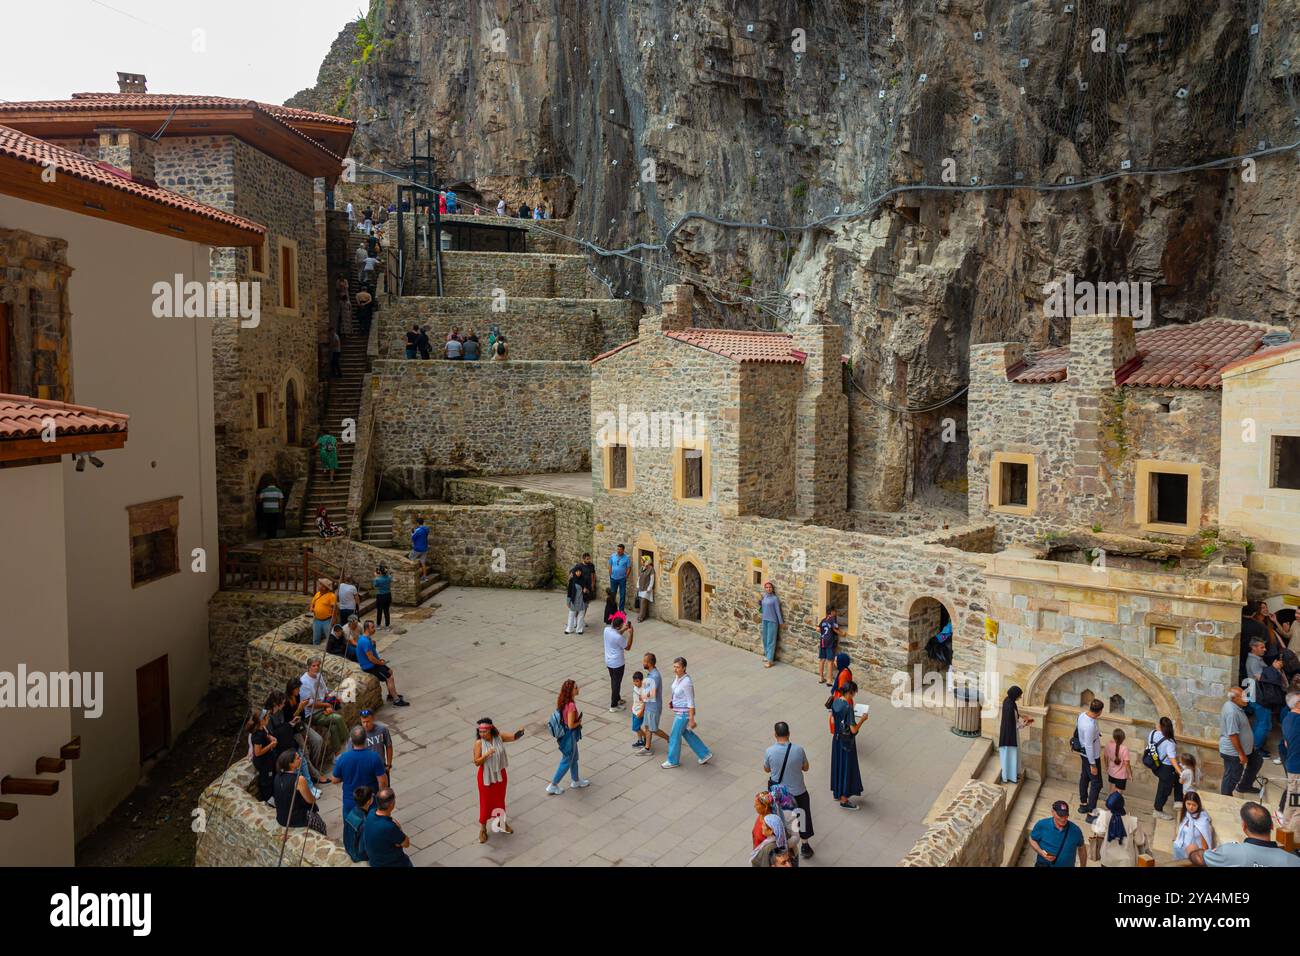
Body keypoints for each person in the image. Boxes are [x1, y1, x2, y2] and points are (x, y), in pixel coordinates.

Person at [1189, 802, 1300, 867]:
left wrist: (1193, 851)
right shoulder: (1294, 861)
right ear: (1271, 826)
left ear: (1244, 827)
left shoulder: (1229, 852)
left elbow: (1198, 857)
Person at [764, 721, 814, 858]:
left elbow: (766, 769)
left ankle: (783, 845)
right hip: (798, 791)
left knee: (781, 818)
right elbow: (806, 767)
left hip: (780, 794)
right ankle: (805, 845)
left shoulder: (769, 751)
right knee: (802, 817)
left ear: (775, 734)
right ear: (789, 734)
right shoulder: (798, 749)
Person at [474, 718, 524, 843]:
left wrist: (520, 732)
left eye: (484, 732)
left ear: (490, 729)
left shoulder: (499, 737)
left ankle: (502, 824)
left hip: (500, 775)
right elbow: (476, 762)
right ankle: (483, 829)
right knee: (485, 803)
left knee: (499, 801)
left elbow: (513, 737)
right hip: (486, 777)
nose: (482, 734)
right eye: (480, 732)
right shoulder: (479, 743)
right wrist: (486, 755)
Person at [330, 727, 389, 823]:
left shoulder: (343, 758)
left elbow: (334, 780)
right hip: (370, 801)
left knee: (352, 829)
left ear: (351, 740)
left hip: (350, 801)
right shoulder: (374, 757)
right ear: (365, 739)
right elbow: (382, 781)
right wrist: (381, 798)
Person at [663, 657, 713, 770]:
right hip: (679, 711)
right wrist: (673, 701)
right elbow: (677, 692)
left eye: (678, 667)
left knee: (674, 736)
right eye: (674, 666)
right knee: (685, 733)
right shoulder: (679, 677)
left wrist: (691, 719)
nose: (675, 669)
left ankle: (673, 760)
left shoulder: (686, 682)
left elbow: (691, 701)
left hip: (683, 714)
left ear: (684, 668)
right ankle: (704, 754)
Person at [829, 680, 867, 808]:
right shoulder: (848, 708)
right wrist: (862, 720)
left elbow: (833, 720)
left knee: (838, 766)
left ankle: (837, 792)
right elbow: (853, 730)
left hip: (836, 740)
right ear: (850, 693)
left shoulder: (835, 702)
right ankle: (844, 799)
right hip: (846, 743)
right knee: (846, 769)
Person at [546, 679, 589, 793]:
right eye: (576, 687)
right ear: (570, 691)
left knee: (573, 758)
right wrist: (579, 722)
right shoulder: (571, 706)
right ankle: (553, 785)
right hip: (569, 735)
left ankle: (575, 780)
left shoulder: (563, 701)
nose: (578, 689)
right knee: (567, 760)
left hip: (565, 735)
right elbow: (570, 725)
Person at [1219, 685, 1262, 795]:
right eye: (1243, 696)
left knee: (1256, 761)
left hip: (1245, 748)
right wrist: (1241, 754)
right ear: (1234, 699)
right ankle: (1225, 797)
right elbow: (1233, 735)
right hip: (1234, 752)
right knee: (1233, 776)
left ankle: (1244, 786)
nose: (1246, 698)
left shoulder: (1235, 706)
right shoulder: (1232, 712)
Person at [300, 657, 347, 756]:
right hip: (312, 714)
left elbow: (325, 693)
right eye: (313, 666)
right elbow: (309, 704)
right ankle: (350, 743)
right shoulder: (304, 682)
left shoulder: (319, 676)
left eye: (318, 665)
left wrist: (328, 706)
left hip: (322, 709)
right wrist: (325, 705)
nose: (316, 668)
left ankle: (337, 754)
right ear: (308, 667)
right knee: (338, 718)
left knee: (333, 728)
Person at [356, 622, 410, 706]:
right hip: (369, 666)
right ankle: (396, 700)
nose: (374, 629)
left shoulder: (367, 639)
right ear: (367, 629)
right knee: (389, 678)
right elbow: (371, 658)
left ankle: (390, 695)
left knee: (390, 671)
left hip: (373, 663)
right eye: (372, 627)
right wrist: (381, 663)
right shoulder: (365, 641)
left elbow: (373, 654)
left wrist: (379, 658)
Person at [274, 750, 326, 834]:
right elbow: (311, 800)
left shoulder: (278, 776)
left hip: (282, 817)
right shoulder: (299, 779)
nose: (301, 758)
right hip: (295, 818)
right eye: (298, 758)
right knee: (321, 825)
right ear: (290, 764)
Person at [1090, 790, 1147, 867]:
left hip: (1107, 859)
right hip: (1126, 862)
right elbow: (1140, 841)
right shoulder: (1133, 821)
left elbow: (1099, 831)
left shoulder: (1104, 816)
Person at [1028, 800, 1087, 867]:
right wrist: (1041, 852)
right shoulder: (1042, 824)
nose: (1063, 819)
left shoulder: (1076, 830)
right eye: (1060, 815)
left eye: (1065, 815)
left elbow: (1082, 849)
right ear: (1053, 812)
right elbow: (1032, 839)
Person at [364, 788, 413, 867]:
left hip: (374, 862)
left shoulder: (371, 813)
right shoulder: (389, 827)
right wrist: (399, 828)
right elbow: (406, 843)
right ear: (391, 804)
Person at [1148, 716, 1184, 820]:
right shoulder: (1170, 742)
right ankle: (1158, 810)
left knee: (1171, 781)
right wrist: (1181, 772)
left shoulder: (1153, 733)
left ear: (1159, 726)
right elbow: (1172, 759)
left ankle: (1178, 800)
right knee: (1164, 790)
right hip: (1166, 768)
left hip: (1155, 764)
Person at [1075, 697, 1104, 822]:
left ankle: (1083, 804)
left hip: (1084, 753)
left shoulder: (1082, 715)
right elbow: (1089, 745)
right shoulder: (1090, 725)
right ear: (1099, 711)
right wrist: (1093, 764)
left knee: (1085, 777)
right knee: (1097, 784)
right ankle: (1091, 813)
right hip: (1090, 756)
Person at [246, 707, 283, 802]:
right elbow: (257, 753)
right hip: (263, 763)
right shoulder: (257, 736)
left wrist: (271, 738)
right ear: (262, 721)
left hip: (269, 759)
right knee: (267, 781)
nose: (269, 718)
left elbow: (266, 735)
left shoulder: (262, 728)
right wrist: (271, 745)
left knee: (273, 775)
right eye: (267, 717)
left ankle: (276, 795)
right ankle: (269, 799)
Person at [637, 652, 670, 756]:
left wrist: (642, 697)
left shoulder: (655, 676)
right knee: (647, 727)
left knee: (654, 729)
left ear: (649, 663)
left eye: (644, 661)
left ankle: (670, 739)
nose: (643, 663)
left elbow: (652, 693)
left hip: (653, 708)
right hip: (649, 706)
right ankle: (647, 748)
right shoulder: (651, 673)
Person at [998, 685, 1032, 785]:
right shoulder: (1010, 706)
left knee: (1010, 756)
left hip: (1007, 734)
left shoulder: (1008, 701)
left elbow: (1014, 716)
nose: (1020, 698)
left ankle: (1011, 775)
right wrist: (1024, 724)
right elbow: (1014, 724)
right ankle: (1011, 777)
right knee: (1011, 756)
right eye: (1019, 696)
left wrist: (1021, 716)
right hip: (1010, 736)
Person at [1171, 791, 1214, 862]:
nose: (1191, 807)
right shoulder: (1186, 815)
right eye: (1188, 804)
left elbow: (1205, 845)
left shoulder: (1203, 821)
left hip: (1194, 854)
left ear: (1198, 805)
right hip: (1181, 849)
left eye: (1194, 805)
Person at [603, 611, 633, 711]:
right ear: (618, 626)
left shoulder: (606, 630)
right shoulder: (618, 637)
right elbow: (627, 647)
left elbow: (616, 633)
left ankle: (617, 698)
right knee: (617, 683)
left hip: (609, 661)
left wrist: (624, 629)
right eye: (622, 625)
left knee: (613, 680)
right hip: (618, 663)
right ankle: (613, 705)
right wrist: (630, 634)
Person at [1282, 690, 1300, 837]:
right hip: (1298, 769)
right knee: (1298, 806)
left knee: (1293, 801)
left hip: (1293, 767)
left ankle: (1285, 829)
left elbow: (1287, 743)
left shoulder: (1288, 718)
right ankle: (1293, 838)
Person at [358, 709, 393, 780]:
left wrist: (388, 765)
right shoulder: (358, 734)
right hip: (366, 769)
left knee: (385, 790)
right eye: (363, 722)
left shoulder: (382, 730)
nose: (365, 724)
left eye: (368, 721)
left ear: (373, 719)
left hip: (381, 766)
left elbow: (389, 746)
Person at [343, 785, 373, 863]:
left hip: (348, 848)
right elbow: (363, 848)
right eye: (372, 796)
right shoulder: (364, 823)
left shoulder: (351, 812)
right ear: (369, 801)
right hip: (358, 855)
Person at [817, 605, 844, 685]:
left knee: (822, 659)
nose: (836, 613)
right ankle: (829, 680)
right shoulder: (833, 619)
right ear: (832, 612)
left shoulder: (823, 620)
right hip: (830, 641)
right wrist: (842, 633)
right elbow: (835, 629)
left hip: (822, 640)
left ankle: (821, 678)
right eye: (835, 611)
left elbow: (818, 629)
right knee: (830, 661)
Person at [759, 581, 783, 667]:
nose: (768, 589)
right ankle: (767, 655)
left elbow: (778, 611)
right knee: (765, 639)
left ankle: (770, 660)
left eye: (770, 587)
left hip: (772, 621)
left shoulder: (775, 599)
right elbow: (762, 608)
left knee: (771, 641)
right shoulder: (764, 597)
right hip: (764, 620)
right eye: (767, 587)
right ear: (765, 589)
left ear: (772, 589)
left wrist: (781, 622)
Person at [309, 579, 338, 645]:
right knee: (316, 639)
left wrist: (334, 619)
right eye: (320, 585)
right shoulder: (317, 594)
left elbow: (335, 608)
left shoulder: (331, 596)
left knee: (329, 638)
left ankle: (330, 651)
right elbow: (312, 603)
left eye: (322, 586)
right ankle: (316, 651)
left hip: (327, 620)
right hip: (317, 620)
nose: (320, 586)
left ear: (326, 588)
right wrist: (311, 608)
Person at [1103, 727, 1132, 791]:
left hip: (1111, 772)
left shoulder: (1108, 745)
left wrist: (1106, 766)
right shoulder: (1124, 748)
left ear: (1113, 736)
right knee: (1118, 794)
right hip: (1121, 775)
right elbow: (1126, 763)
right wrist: (1130, 774)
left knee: (1111, 791)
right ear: (1123, 738)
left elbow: (1105, 756)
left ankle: (1109, 801)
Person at [564, 565, 586, 635]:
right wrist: (568, 601)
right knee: (571, 614)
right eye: (577, 571)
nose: (578, 573)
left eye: (579, 571)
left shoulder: (583, 579)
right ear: (574, 572)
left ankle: (579, 629)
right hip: (574, 599)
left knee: (581, 614)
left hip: (582, 600)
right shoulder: (572, 580)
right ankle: (569, 629)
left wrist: (585, 590)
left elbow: (588, 590)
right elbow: (569, 591)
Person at [608, 543, 630, 612]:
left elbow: (629, 568)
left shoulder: (626, 558)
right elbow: (610, 565)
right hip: (613, 578)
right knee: (613, 594)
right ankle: (613, 609)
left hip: (622, 579)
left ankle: (621, 610)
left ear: (623, 550)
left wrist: (626, 576)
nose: (618, 550)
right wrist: (610, 574)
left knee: (622, 594)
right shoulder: (613, 556)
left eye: (620, 549)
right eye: (618, 549)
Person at [579, 553, 597, 627]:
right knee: (579, 604)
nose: (589, 560)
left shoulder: (591, 565)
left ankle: (582, 619)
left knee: (586, 604)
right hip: (581, 588)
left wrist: (593, 584)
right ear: (583, 559)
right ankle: (576, 620)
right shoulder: (579, 566)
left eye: (589, 558)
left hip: (588, 587)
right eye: (587, 559)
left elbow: (593, 575)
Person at [635, 554, 655, 623]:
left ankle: (641, 617)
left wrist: (649, 588)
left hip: (646, 589)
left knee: (643, 601)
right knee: (641, 602)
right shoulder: (641, 568)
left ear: (647, 561)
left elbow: (652, 579)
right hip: (640, 587)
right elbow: (639, 578)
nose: (641, 561)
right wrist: (637, 586)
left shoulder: (651, 569)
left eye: (642, 560)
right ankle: (642, 614)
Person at [373, 564, 392, 630]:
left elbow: (375, 585)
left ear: (380, 572)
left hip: (380, 596)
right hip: (388, 595)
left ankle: (378, 625)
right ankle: (387, 626)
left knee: (379, 611)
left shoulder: (378, 579)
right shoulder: (389, 577)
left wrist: (375, 577)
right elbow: (389, 575)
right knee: (386, 611)